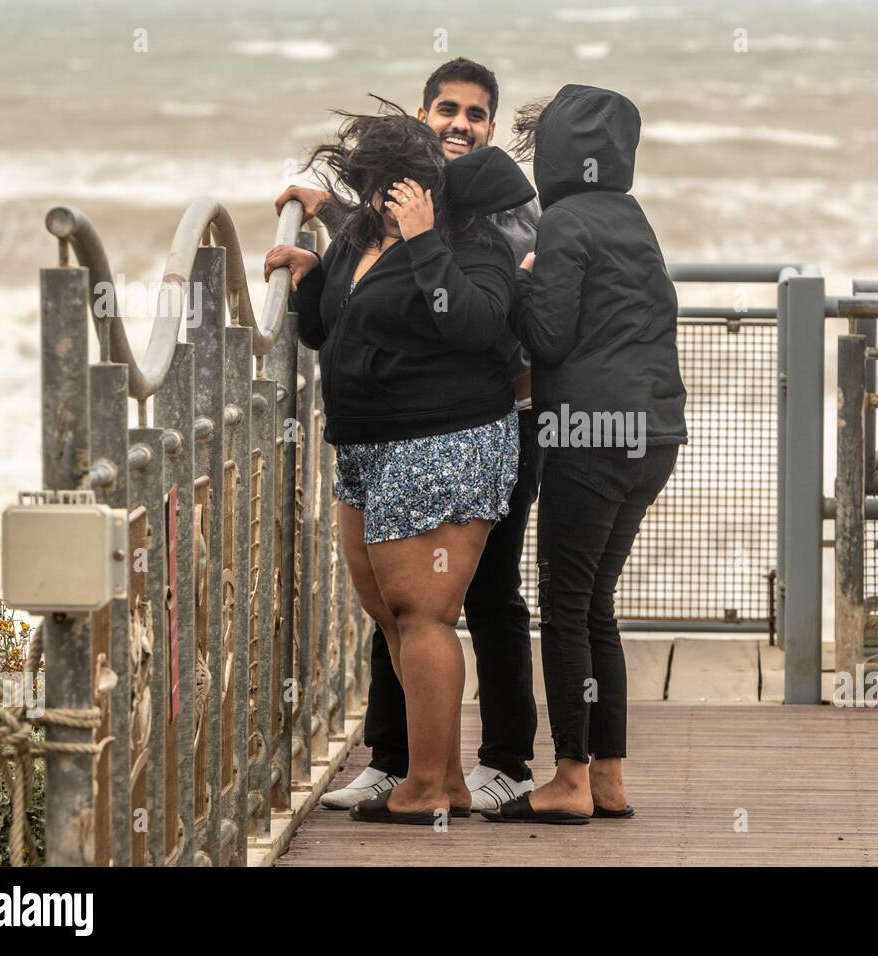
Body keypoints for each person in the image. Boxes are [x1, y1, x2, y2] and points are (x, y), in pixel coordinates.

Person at [276, 58, 544, 813]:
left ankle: (442, 781)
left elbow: (476, 324)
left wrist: (427, 240)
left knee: (432, 612)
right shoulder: (362, 229)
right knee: (391, 614)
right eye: (445, 111)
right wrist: (306, 277)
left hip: (447, 440)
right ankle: (430, 773)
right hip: (364, 445)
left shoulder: (478, 234)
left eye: (474, 114)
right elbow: (333, 327)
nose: (459, 125)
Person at [484, 85, 687, 824]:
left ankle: (567, 778)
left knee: (564, 608)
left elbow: (549, 339)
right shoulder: (634, 219)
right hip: (655, 433)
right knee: (597, 605)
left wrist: (520, 282)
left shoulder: (564, 222)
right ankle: (609, 778)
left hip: (589, 435)